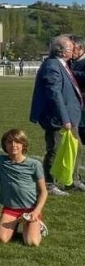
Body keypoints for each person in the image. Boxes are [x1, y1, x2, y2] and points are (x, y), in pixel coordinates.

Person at [29, 35, 84, 196]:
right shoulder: (52, 65)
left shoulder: (61, 64)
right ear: (63, 51)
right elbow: (54, 93)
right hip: (57, 118)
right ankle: (50, 184)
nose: (74, 50)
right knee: (54, 149)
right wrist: (64, 118)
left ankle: (72, 180)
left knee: (75, 148)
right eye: (71, 48)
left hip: (68, 116)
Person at [0, 129, 48, 246]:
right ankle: (15, 223)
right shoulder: (1, 162)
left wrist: (36, 211)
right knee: (0, 239)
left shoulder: (34, 164)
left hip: (30, 210)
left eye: (17, 142)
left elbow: (43, 192)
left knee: (32, 242)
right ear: (4, 145)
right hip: (10, 209)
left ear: (23, 144)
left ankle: (38, 224)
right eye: (9, 142)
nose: (13, 145)